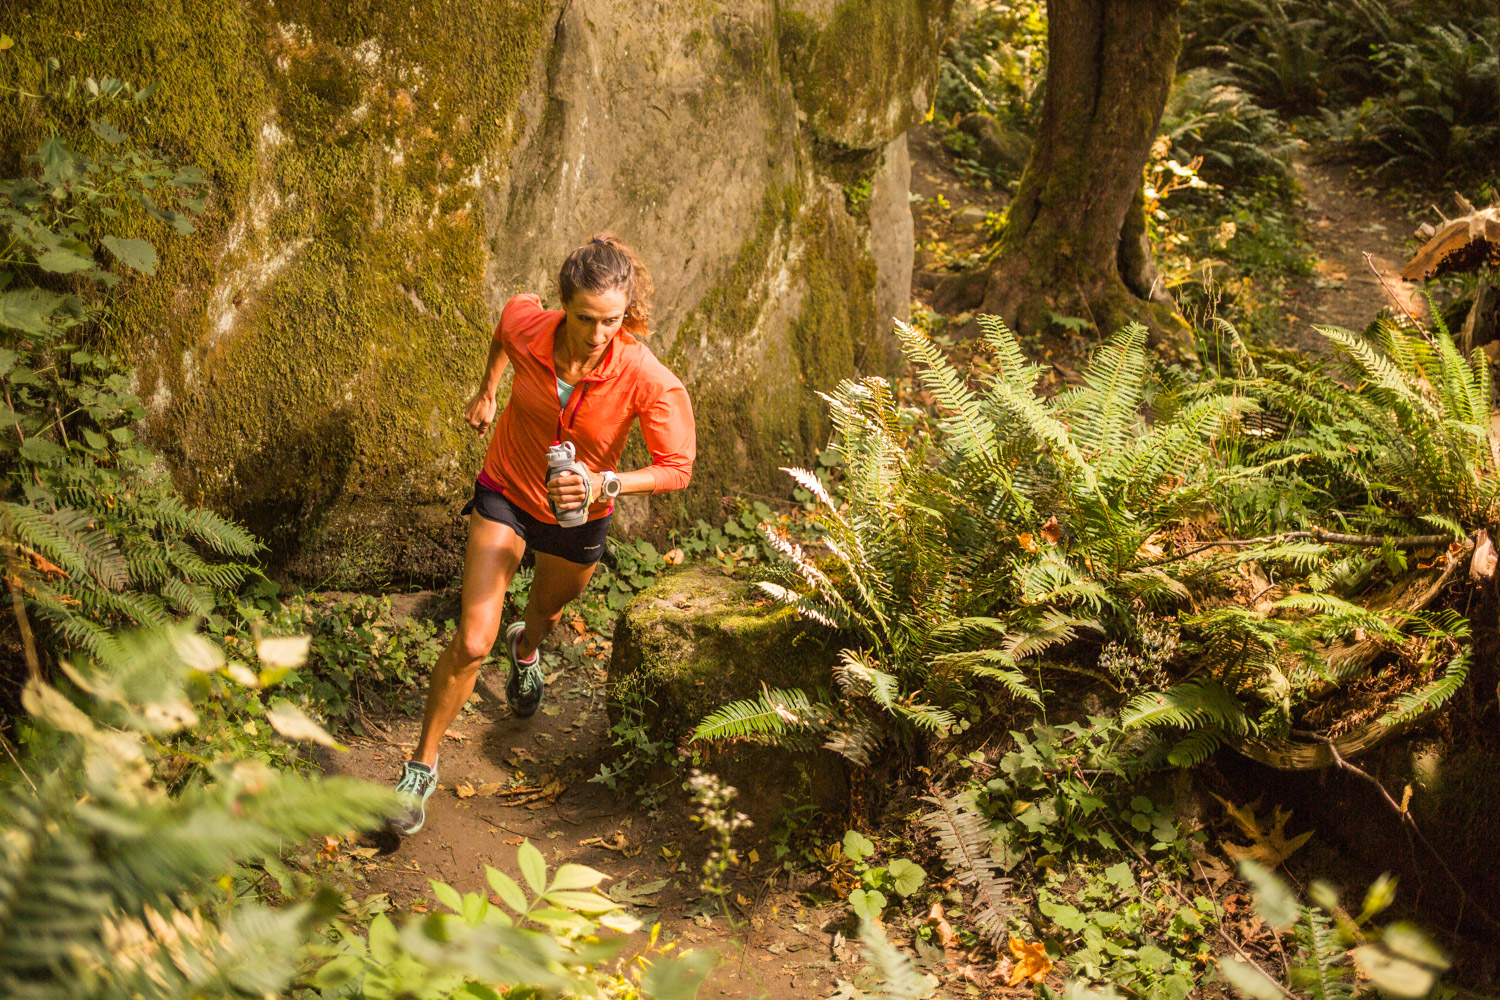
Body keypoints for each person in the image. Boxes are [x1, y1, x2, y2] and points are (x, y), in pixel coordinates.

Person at [389, 233, 695, 836]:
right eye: (586, 318)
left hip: (578, 514)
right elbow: (503, 333)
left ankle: (526, 649)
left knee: (546, 615)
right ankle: (420, 769)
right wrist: (488, 390)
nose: (599, 333)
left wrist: (604, 483)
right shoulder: (527, 325)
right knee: (474, 639)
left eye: (612, 320)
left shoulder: (646, 376)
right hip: (506, 487)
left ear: (626, 312)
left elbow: (677, 466)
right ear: (564, 305)